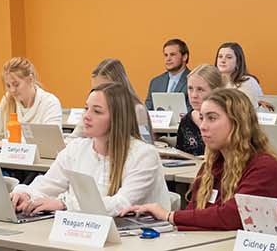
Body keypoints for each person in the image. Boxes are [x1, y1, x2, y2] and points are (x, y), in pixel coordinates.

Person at [120, 88, 277, 231]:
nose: (203, 126)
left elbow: (233, 216)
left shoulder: (264, 167)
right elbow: (196, 213)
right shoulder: (213, 165)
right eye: (202, 118)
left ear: (238, 123)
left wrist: (169, 216)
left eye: (212, 118)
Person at [9, 82, 162, 214]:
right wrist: (26, 194)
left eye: (97, 111)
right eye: (86, 108)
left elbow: (122, 203)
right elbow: (47, 185)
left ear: (117, 118)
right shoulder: (75, 149)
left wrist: (65, 204)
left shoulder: (144, 155)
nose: (86, 116)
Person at [0, 57, 64, 148]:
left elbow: (50, 141)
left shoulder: (50, 103)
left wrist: (7, 144)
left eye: (16, 84)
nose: (12, 90)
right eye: (8, 86)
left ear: (30, 79)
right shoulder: (8, 100)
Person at [92, 58, 154, 142]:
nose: (97, 95)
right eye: (94, 90)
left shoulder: (138, 110)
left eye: (103, 90)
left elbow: (147, 145)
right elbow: (74, 137)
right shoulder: (92, 110)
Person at [171, 65, 227, 156]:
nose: (194, 95)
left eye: (200, 89)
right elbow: (180, 155)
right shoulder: (186, 120)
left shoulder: (227, 120)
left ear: (216, 91)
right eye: (190, 88)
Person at [215, 42, 271, 111]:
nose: (223, 60)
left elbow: (249, 113)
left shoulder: (248, 83)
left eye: (229, 57)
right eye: (220, 56)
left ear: (238, 62)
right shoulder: (212, 82)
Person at [147, 38, 192, 108]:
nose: (168, 59)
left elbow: (193, 110)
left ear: (184, 57)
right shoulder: (155, 82)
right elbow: (148, 110)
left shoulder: (193, 80)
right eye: (166, 55)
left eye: (172, 54)